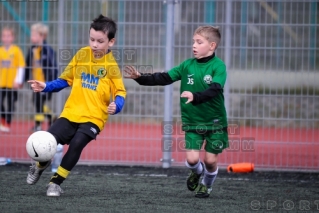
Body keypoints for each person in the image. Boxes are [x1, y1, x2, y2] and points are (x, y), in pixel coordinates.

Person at [26, 14, 126, 197]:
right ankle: (40, 164)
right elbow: (66, 80)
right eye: (92, 39)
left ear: (111, 42)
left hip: (94, 118)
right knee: (48, 141)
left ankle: (55, 183)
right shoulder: (81, 54)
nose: (94, 44)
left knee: (77, 144)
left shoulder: (111, 66)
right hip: (71, 112)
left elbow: (120, 92)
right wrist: (46, 86)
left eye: (100, 41)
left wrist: (116, 105)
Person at [124, 26, 229, 198]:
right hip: (193, 122)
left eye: (199, 42)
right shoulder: (187, 65)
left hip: (215, 123)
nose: (194, 45)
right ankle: (196, 172)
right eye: (193, 41)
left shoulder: (218, 66)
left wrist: (195, 96)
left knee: (211, 161)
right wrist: (140, 77)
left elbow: (215, 89)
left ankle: (206, 185)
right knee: (193, 160)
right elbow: (164, 77)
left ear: (212, 46)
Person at [25, 23, 58, 132]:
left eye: (34, 35)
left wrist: (51, 84)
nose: (32, 37)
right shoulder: (32, 49)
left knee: (39, 103)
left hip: (45, 83)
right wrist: (24, 79)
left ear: (42, 36)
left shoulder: (48, 51)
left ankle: (38, 125)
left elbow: (53, 68)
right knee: (38, 103)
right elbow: (27, 65)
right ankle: (52, 117)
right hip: (35, 82)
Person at [0, 27, 25, 132]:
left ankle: (8, 123)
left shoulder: (16, 50)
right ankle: (3, 119)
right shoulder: (0, 50)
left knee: (11, 103)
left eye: (8, 36)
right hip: (1, 82)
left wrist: (18, 80)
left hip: (12, 83)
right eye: (4, 36)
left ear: (13, 38)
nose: (6, 38)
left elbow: (21, 66)